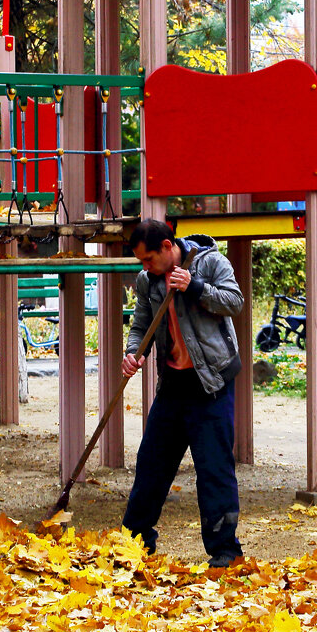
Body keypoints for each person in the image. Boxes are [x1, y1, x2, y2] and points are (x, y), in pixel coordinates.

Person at [120, 219, 245, 568]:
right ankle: (135, 540)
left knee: (214, 468)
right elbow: (141, 324)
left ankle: (225, 551)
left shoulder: (210, 262)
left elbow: (234, 302)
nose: (144, 268)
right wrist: (134, 353)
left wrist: (195, 287)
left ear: (165, 246)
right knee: (151, 464)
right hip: (174, 383)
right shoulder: (148, 281)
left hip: (212, 382)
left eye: (147, 259)